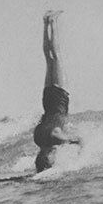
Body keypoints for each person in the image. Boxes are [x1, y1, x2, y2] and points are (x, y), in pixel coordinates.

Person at [32, 11, 79, 172]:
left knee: (57, 56)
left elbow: (80, 140)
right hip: (47, 99)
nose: (55, 159)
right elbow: (41, 121)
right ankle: (46, 22)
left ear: (47, 158)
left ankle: (54, 21)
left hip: (60, 98)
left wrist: (82, 159)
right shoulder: (37, 139)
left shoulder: (55, 139)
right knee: (48, 58)